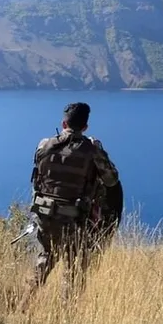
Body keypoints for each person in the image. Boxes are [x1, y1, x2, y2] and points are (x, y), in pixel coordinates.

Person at [19, 102, 120, 311]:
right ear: (85, 127)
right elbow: (111, 180)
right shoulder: (92, 150)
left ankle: (23, 306)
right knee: (74, 268)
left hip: (45, 216)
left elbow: (38, 177)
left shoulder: (44, 145)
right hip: (74, 219)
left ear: (64, 122)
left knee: (45, 258)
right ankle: (66, 316)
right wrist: (98, 149)